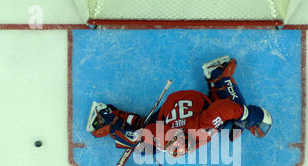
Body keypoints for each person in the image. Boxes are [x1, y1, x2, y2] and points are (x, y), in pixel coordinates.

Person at [85, 56, 273, 157]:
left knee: (146, 134)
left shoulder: (180, 136)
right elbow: (221, 110)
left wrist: (242, 116)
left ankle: (217, 75)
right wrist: (242, 113)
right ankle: (106, 119)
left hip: (177, 113)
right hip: (183, 105)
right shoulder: (198, 128)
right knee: (144, 148)